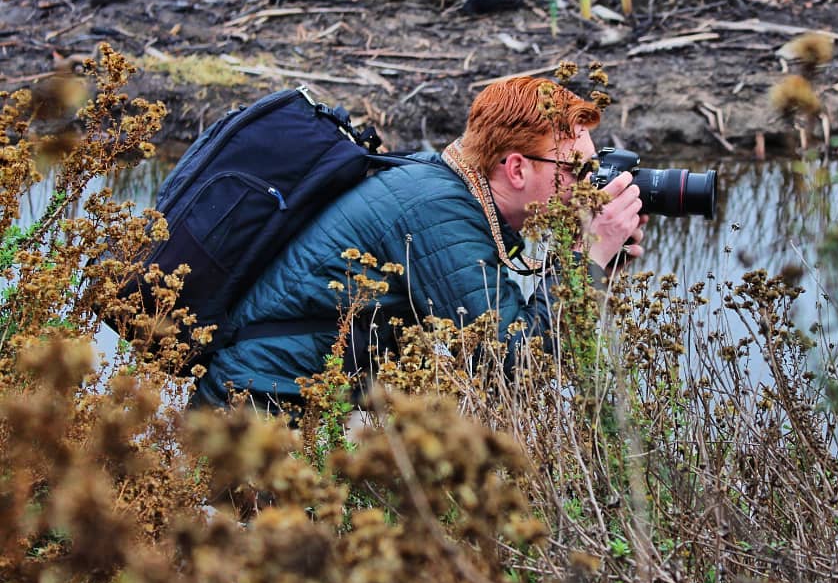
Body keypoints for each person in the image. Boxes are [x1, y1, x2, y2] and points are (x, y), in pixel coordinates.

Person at [192, 76, 647, 411]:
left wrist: (599, 263)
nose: (589, 186)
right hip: (253, 423)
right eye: (576, 171)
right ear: (516, 168)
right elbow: (514, 367)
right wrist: (584, 259)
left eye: (595, 167)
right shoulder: (438, 213)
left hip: (282, 408)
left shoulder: (442, 185)